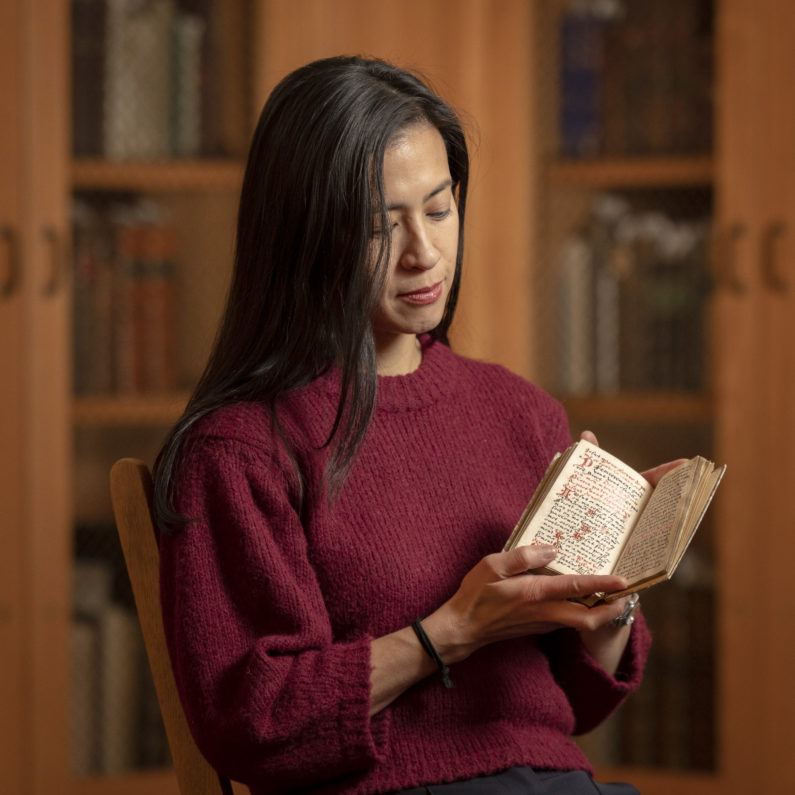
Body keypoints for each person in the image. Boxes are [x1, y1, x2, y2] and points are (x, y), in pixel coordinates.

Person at [154, 55, 675, 794]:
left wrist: (609, 603)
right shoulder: (242, 449)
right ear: (303, 236)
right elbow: (253, 721)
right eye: (378, 227)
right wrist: (452, 629)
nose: (423, 254)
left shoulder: (520, 412)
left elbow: (578, 705)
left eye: (438, 208)